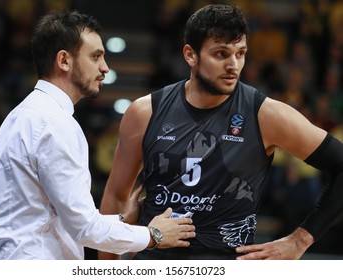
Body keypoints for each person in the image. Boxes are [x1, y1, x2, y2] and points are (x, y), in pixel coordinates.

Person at [99, 4, 343, 260]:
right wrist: (107, 270)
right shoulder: (144, 112)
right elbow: (116, 194)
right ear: (190, 55)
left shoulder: (267, 115)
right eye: (221, 54)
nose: (233, 65)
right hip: (156, 264)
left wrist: (300, 240)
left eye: (241, 53)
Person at [0, 9, 195, 260]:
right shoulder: (54, 123)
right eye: (96, 57)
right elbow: (83, 227)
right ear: (64, 60)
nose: (105, 68)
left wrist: (121, 222)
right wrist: (153, 235)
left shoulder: (21, 115)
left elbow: (53, 216)